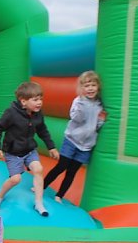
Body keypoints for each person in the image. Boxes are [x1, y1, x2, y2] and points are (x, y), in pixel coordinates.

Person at [0, 81, 59, 216]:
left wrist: (51, 147)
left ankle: (39, 203)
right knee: (16, 179)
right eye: (35, 100)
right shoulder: (11, 113)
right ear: (23, 102)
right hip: (13, 153)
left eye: (40, 99)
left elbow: (43, 131)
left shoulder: (37, 114)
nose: (39, 102)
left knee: (38, 169)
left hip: (29, 151)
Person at [43, 71, 105, 202]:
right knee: (61, 166)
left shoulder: (99, 105)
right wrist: (82, 106)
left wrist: (101, 120)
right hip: (72, 140)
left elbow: (96, 125)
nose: (90, 89)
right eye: (86, 86)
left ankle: (59, 195)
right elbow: (76, 118)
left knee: (72, 172)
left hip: (86, 146)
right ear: (82, 88)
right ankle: (42, 185)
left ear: (98, 87)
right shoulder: (78, 101)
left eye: (93, 85)